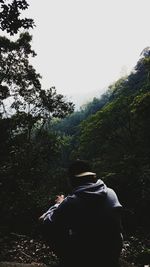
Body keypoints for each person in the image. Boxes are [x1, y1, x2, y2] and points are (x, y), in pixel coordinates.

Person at [39, 159, 123, 267]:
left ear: (72, 180)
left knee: (46, 223)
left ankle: (67, 261)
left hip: (87, 255)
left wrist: (58, 204)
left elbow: (45, 221)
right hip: (113, 252)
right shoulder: (111, 192)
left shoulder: (73, 200)